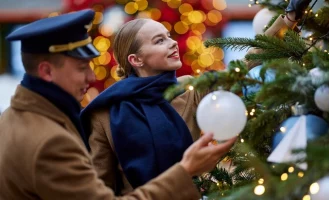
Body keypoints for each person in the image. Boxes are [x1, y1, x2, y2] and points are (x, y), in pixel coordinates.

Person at [0, 9, 237, 200]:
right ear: (46, 71)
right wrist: (185, 173)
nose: (92, 78)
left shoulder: (14, 117)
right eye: (82, 68)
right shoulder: (54, 138)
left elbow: (230, 79)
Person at [80, 0, 312, 195]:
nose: (172, 43)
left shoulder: (189, 89)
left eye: (168, 36)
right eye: (159, 41)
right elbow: (101, 189)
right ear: (135, 60)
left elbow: (244, 65)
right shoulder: (104, 112)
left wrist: (289, 18)